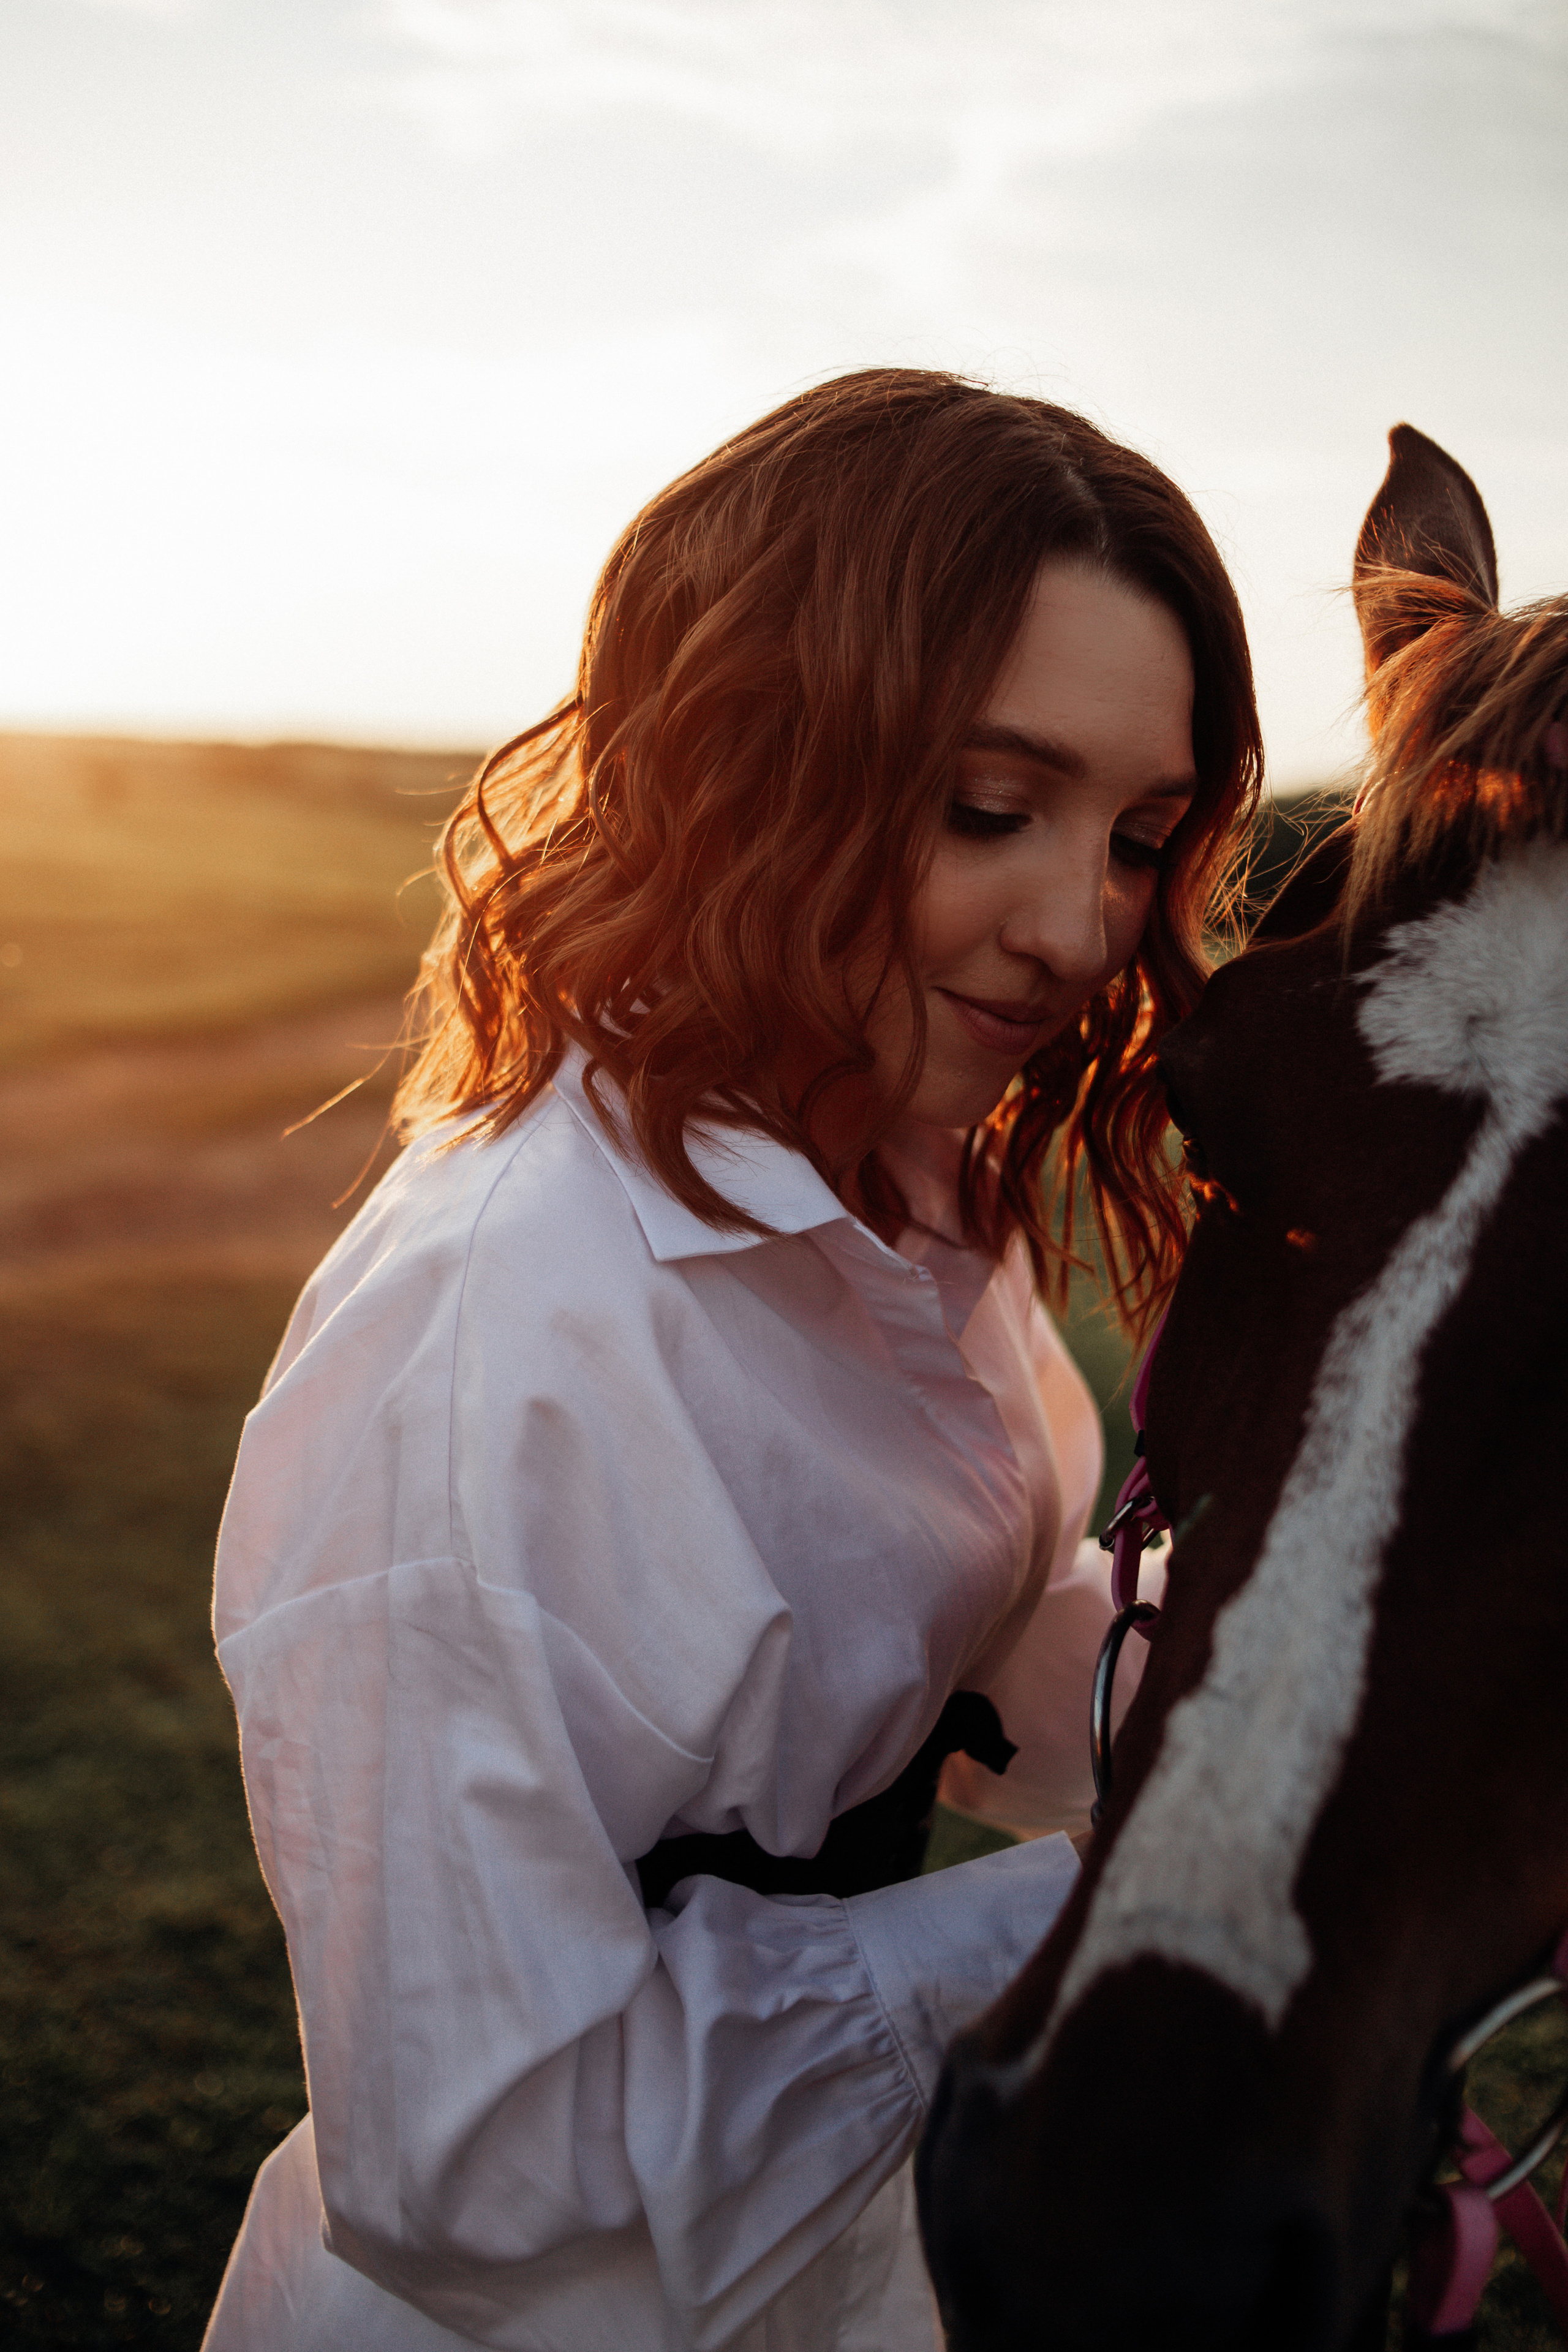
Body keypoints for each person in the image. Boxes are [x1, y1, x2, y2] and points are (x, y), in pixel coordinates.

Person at [202, 369, 1262, 2352]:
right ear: (739, 756)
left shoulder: (907, 1180)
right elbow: (486, 2162)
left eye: (1139, 836)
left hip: (885, 2264)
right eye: (989, 808)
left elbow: (991, 1617)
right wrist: (1095, 1923)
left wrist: (1354, 1718)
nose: (1081, 931)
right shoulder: (489, 1341)